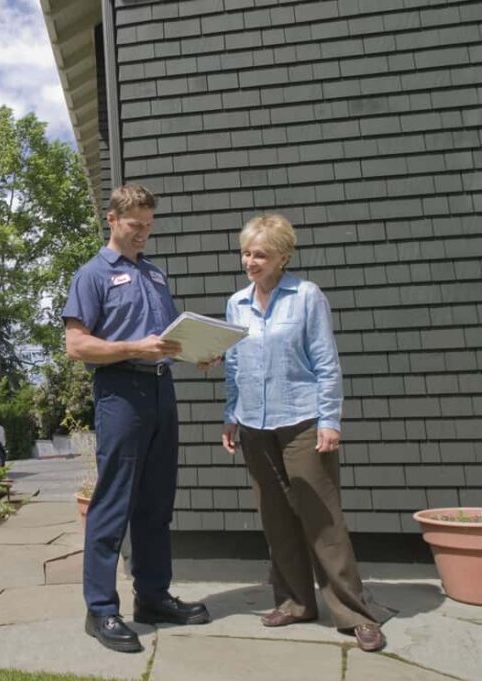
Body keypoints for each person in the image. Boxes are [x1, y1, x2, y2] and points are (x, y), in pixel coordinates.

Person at [221, 213, 388, 653]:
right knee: (276, 519)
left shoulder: (306, 296)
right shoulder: (236, 304)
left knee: (323, 522)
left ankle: (356, 614)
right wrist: (230, 415)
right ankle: (295, 602)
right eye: (246, 252)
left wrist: (329, 420)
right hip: (254, 426)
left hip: (301, 422)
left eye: (260, 254)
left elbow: (326, 362)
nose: (250, 261)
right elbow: (235, 366)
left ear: (283, 257)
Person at [63, 184, 209, 654]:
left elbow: (163, 339)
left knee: (156, 503)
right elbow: (76, 345)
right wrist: (132, 349)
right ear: (112, 220)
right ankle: (101, 610)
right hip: (121, 393)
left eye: (149, 226)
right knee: (113, 503)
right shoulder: (92, 275)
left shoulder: (155, 275)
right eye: (135, 226)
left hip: (162, 391)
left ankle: (152, 598)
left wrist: (196, 352)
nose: (144, 234)